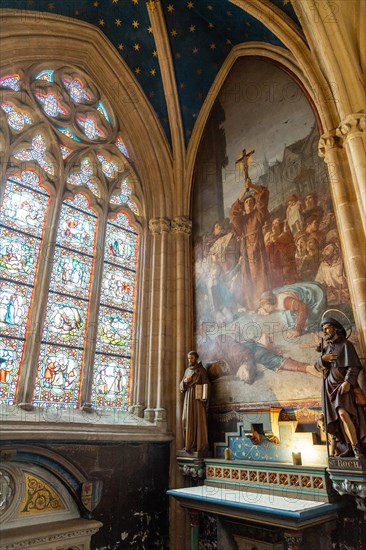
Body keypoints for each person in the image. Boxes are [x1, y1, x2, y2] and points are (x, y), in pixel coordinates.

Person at [314, 317, 366, 459]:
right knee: (337, 417)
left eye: (327, 328)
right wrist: (322, 359)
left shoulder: (346, 345)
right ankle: (349, 446)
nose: (325, 331)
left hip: (342, 386)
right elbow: (317, 366)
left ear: (335, 328)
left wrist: (348, 381)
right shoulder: (326, 348)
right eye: (323, 329)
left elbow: (354, 366)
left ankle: (357, 448)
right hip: (328, 387)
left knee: (344, 414)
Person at [230, 178, 269, 311]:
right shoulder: (241, 221)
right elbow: (233, 213)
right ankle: (252, 303)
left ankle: (263, 302)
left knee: (260, 272)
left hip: (257, 247)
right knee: (248, 275)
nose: (249, 204)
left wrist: (252, 185)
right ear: (243, 206)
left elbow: (263, 195)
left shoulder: (258, 215)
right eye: (246, 202)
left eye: (251, 201)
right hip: (246, 249)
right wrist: (244, 191)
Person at [180, 351, 210, 453]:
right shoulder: (187, 370)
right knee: (185, 419)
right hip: (188, 396)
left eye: (191, 358)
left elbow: (206, 384)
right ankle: (189, 444)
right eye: (188, 358)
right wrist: (184, 382)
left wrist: (204, 397)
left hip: (197, 398)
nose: (189, 360)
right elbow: (181, 385)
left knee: (197, 420)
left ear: (196, 358)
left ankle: (198, 445)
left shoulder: (201, 370)